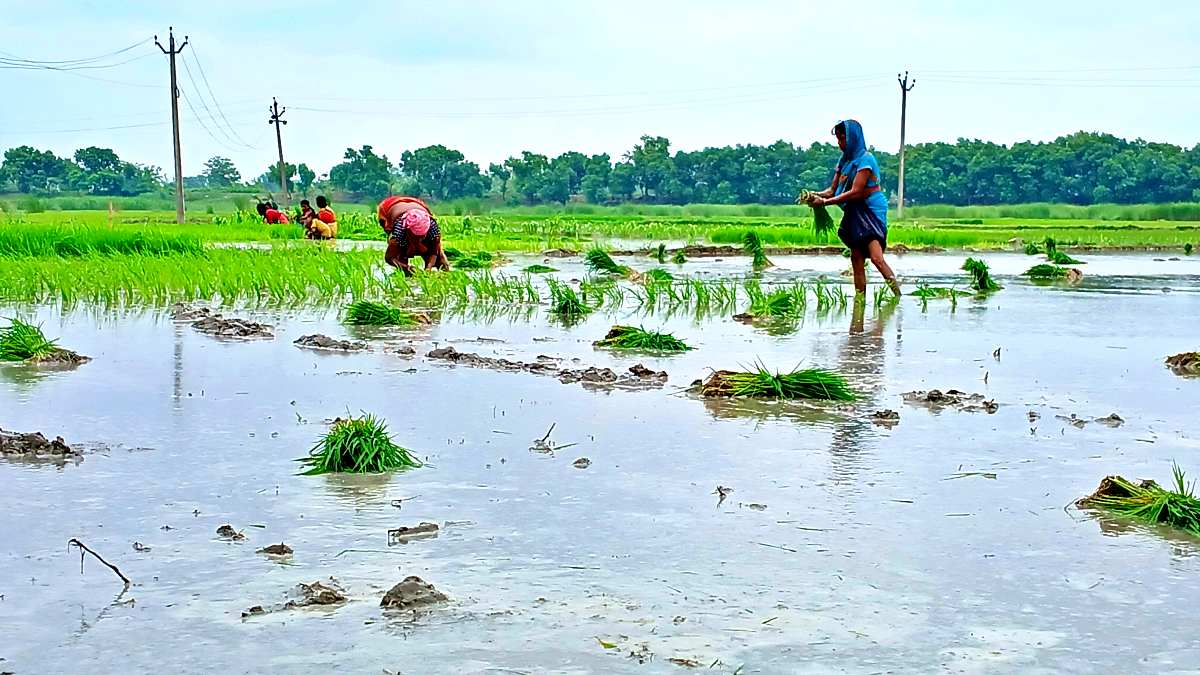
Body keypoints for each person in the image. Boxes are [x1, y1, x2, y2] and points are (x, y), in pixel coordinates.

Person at [807, 120, 900, 297]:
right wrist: (814, 195)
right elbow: (832, 190)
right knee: (856, 258)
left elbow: (856, 191)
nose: (840, 144)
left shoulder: (866, 159)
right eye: (838, 139)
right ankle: (860, 301)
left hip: (871, 209)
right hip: (853, 211)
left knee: (876, 258)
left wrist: (825, 203)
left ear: (853, 138)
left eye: (843, 139)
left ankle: (898, 297)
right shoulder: (844, 160)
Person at [377, 195, 449, 275]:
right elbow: (389, 258)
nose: (419, 240)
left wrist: (428, 268)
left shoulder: (433, 230)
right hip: (389, 206)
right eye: (415, 237)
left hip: (417, 204)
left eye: (422, 237)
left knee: (441, 260)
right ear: (408, 232)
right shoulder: (399, 233)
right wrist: (406, 267)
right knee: (401, 255)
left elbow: (434, 252)